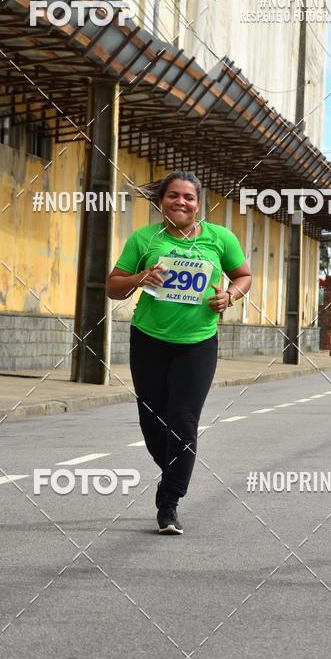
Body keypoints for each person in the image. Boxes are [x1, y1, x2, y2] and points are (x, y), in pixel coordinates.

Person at [106, 170, 252, 535]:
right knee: (154, 424)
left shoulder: (221, 238)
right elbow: (113, 286)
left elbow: (244, 276)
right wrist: (141, 278)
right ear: (161, 202)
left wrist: (229, 296)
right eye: (173, 195)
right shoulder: (144, 239)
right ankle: (172, 471)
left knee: (184, 421)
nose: (181, 202)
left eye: (188, 197)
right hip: (149, 341)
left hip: (198, 344)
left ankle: (169, 502)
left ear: (198, 204)